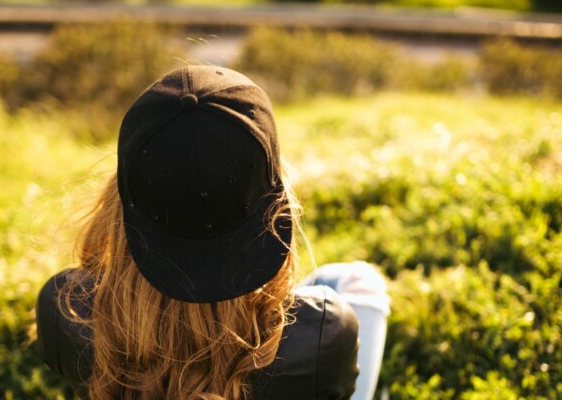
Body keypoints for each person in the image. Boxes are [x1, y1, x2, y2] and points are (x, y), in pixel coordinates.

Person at [36, 66, 390, 400]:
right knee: (355, 280)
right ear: (275, 201)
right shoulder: (322, 335)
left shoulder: (65, 311)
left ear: (121, 198)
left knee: (334, 279)